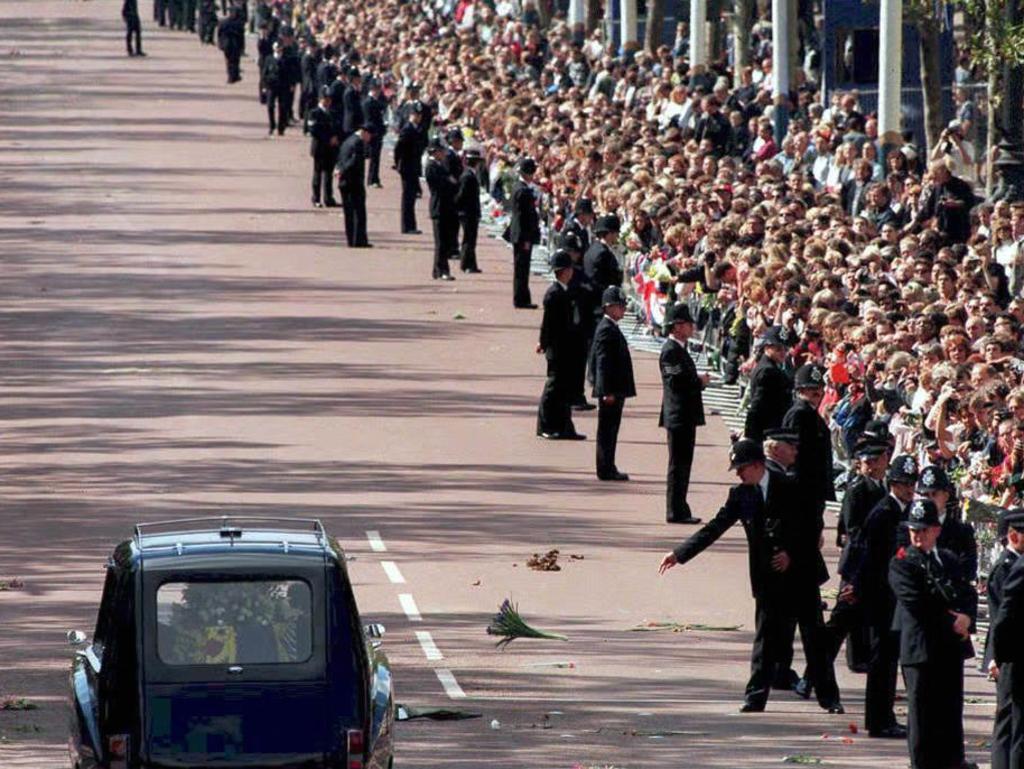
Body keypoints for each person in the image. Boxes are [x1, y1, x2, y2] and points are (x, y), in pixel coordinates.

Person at [659, 439, 839, 713]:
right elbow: (715, 527)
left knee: (813, 638)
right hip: (769, 578)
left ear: (757, 465)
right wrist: (679, 554)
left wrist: (791, 553)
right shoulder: (741, 495)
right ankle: (755, 697)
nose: (739, 474)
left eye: (742, 468)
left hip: (801, 574)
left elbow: (811, 526)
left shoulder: (790, 486)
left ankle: (830, 698)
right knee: (765, 640)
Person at [889, 498, 976, 769]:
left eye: (924, 530)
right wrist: (954, 622)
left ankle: (952, 760)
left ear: (936, 530)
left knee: (950, 708)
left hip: (949, 648)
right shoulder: (903, 562)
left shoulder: (947, 559)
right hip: (922, 647)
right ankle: (923, 763)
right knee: (922, 713)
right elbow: (918, 603)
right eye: (914, 530)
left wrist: (967, 617)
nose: (918, 536)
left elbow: (966, 592)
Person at [844, 454, 919, 739]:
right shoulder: (883, 512)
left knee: (889, 659)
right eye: (903, 484)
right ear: (893, 484)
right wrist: (858, 588)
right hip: (879, 596)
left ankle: (884, 716)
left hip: (894, 597)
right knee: (881, 661)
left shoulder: (907, 511)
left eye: (911, 484)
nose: (909, 489)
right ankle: (877, 720)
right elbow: (868, 555)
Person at [659, 303, 709, 524]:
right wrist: (698, 381)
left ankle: (680, 506)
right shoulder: (670, 351)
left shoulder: (680, 349)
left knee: (683, 464)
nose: (691, 328)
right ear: (677, 326)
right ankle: (675, 509)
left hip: (685, 414)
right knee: (678, 464)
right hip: (679, 415)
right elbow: (676, 381)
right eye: (688, 324)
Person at [536, 250, 586, 440]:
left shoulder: (565, 291)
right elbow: (548, 323)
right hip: (557, 349)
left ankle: (565, 426)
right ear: (565, 271)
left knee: (565, 388)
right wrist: (543, 343)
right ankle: (545, 425)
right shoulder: (554, 294)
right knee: (553, 387)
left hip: (567, 347)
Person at [988, 509, 1024, 769]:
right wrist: (997, 656)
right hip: (1012, 655)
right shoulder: (1008, 567)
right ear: (1014, 535)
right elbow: (1001, 618)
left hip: (1010, 653)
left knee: (1013, 722)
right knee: (1010, 723)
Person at [589, 286, 635, 481]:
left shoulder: (609, 328)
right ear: (609, 307)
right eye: (620, 306)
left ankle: (608, 464)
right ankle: (605, 467)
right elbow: (602, 362)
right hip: (611, 390)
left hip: (615, 388)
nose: (623, 310)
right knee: (607, 430)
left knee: (610, 429)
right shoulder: (606, 330)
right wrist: (606, 390)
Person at [744, 328, 792, 443]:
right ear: (767, 347)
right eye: (778, 349)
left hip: (769, 428)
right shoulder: (768, 371)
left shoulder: (770, 367)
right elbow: (757, 404)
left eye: (785, 349)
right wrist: (749, 433)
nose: (783, 352)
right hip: (766, 430)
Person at [507, 158, 541, 309]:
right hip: (522, 235)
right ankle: (521, 299)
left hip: (520, 234)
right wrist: (526, 238)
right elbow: (524, 218)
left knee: (522, 268)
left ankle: (522, 297)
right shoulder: (523, 191)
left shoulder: (519, 187)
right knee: (522, 268)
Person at [425, 138, 457, 281]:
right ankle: (441, 269)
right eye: (441, 151)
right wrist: (449, 181)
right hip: (439, 206)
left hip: (445, 206)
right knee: (441, 241)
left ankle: (438, 269)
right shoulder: (431, 166)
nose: (443, 153)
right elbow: (441, 184)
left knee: (445, 240)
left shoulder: (440, 165)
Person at [336, 126, 372, 249]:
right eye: (369, 135)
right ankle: (359, 239)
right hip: (354, 181)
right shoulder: (358, 143)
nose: (369, 139)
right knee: (358, 211)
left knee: (348, 212)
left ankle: (351, 239)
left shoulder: (348, 140)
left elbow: (341, 157)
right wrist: (342, 170)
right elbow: (354, 162)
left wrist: (339, 169)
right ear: (364, 132)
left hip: (344, 182)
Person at [393, 102, 424, 234]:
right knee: (408, 197)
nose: (417, 117)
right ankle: (407, 226)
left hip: (413, 165)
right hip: (407, 166)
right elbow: (398, 148)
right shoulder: (407, 129)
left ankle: (411, 224)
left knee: (411, 196)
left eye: (419, 115)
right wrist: (398, 163)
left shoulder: (416, 128)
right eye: (415, 114)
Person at [306, 88, 339, 208]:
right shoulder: (314, 113)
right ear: (321, 99)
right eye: (326, 99)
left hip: (330, 148)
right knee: (318, 173)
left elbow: (336, 126)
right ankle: (316, 198)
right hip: (320, 147)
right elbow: (314, 130)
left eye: (329, 99)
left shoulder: (332, 112)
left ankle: (328, 197)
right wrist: (328, 138)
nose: (328, 101)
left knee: (329, 173)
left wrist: (335, 137)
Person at [455, 147, 483, 273]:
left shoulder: (470, 174)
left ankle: (471, 263)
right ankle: (466, 264)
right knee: (469, 238)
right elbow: (461, 195)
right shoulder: (467, 176)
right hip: (468, 212)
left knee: (471, 238)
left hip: (470, 211)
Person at [583, 215, 624, 298]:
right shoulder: (603, 254)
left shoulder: (592, 248)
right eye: (616, 233)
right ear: (609, 234)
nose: (617, 236)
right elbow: (609, 280)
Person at [362, 80, 387, 188]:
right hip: (373, 132)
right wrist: (374, 131)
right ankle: (371, 179)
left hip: (378, 131)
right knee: (373, 157)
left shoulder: (376, 101)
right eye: (376, 89)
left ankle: (375, 178)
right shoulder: (368, 102)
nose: (378, 91)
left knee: (376, 158)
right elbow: (369, 119)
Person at [261, 42, 290, 136]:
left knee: (282, 107)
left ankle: (281, 127)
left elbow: (290, 73)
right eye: (276, 47)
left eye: (279, 47)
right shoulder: (269, 59)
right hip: (271, 86)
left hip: (283, 86)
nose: (278, 49)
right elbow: (264, 73)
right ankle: (272, 125)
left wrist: (291, 85)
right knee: (270, 106)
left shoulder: (286, 59)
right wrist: (264, 86)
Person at [216, 8, 245, 84]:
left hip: (227, 44)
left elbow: (219, 34)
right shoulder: (238, 24)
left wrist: (220, 43)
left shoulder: (223, 22)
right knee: (235, 61)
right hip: (235, 44)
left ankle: (232, 76)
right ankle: (233, 76)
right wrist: (242, 47)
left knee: (229, 61)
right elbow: (241, 37)